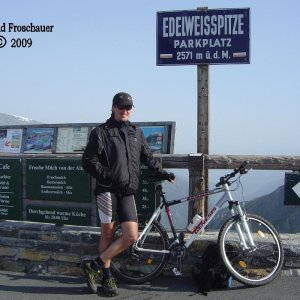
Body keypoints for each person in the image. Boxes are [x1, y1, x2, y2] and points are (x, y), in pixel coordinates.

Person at [81, 92, 175, 297]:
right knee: (107, 233)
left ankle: (93, 265)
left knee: (131, 236)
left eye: (128, 108)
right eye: (121, 107)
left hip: (127, 191)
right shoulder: (101, 132)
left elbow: (147, 156)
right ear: (113, 107)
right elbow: (88, 160)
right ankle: (107, 276)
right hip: (107, 190)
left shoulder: (135, 132)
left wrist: (163, 173)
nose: (125, 111)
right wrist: (108, 175)